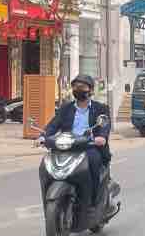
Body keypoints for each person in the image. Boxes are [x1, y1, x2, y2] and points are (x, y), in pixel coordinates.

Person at [40, 72, 111, 206]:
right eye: (76, 87)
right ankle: (49, 199)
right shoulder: (66, 108)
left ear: (90, 90)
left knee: (93, 162)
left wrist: (101, 137)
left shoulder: (100, 108)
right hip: (68, 147)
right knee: (45, 165)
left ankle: (93, 201)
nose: (79, 90)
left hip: (89, 147)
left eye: (83, 87)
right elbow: (53, 124)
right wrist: (43, 136)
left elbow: (105, 125)